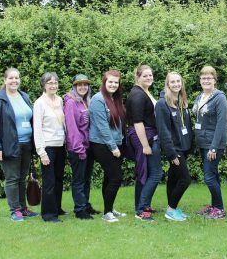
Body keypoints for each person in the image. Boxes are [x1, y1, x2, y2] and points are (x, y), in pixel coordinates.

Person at [0, 68, 38, 221]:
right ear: (5, 80)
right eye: (11, 78)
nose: (14, 81)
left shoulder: (24, 96)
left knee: (21, 178)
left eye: (17, 78)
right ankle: (15, 211)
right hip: (9, 145)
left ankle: (23, 208)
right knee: (12, 178)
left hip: (26, 144)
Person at [126, 65, 163, 222]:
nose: (149, 78)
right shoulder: (137, 95)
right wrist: (145, 145)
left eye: (150, 75)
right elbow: (138, 122)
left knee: (147, 172)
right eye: (145, 76)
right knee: (154, 173)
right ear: (138, 77)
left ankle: (143, 204)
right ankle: (141, 210)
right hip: (143, 137)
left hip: (149, 135)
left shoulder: (144, 91)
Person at [89, 70, 127, 223]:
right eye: (110, 82)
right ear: (104, 82)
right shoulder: (98, 99)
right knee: (116, 177)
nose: (113, 84)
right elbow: (102, 126)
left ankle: (110, 209)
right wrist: (113, 147)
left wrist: (120, 143)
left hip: (117, 142)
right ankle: (107, 213)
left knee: (109, 177)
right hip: (102, 144)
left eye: (116, 82)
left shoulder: (115, 98)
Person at [155, 72, 193, 221]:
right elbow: (163, 131)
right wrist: (171, 153)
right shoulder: (162, 103)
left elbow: (186, 126)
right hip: (174, 149)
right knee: (185, 179)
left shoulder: (181, 101)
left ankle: (173, 208)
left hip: (183, 148)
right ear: (167, 84)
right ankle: (171, 210)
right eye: (173, 82)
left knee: (173, 179)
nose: (176, 84)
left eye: (178, 81)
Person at [192, 66, 227, 219]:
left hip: (213, 144)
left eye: (209, 78)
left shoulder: (219, 98)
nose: (206, 80)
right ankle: (214, 206)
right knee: (212, 174)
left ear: (214, 80)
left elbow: (221, 124)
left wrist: (213, 147)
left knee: (208, 177)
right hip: (203, 142)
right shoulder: (200, 96)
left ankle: (219, 209)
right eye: (203, 78)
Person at [64, 74, 99, 220]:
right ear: (74, 86)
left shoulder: (86, 101)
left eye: (85, 84)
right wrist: (79, 148)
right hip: (78, 148)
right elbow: (71, 128)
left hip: (88, 147)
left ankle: (85, 205)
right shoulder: (71, 103)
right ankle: (79, 210)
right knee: (79, 180)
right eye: (79, 85)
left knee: (86, 179)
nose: (83, 87)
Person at [34, 72, 66, 223]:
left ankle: (57, 208)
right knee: (49, 182)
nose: (53, 85)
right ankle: (48, 214)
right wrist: (42, 152)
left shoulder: (60, 100)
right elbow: (37, 129)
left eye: (55, 83)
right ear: (44, 85)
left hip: (61, 146)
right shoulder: (39, 103)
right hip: (48, 147)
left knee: (59, 179)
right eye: (49, 83)